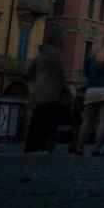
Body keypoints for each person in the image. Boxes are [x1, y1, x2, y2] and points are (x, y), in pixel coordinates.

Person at [24, 24, 66, 153]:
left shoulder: (41, 54)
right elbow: (60, 73)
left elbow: (28, 73)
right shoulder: (54, 53)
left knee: (37, 119)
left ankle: (31, 146)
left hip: (38, 90)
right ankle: (43, 146)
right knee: (47, 120)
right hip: (51, 91)